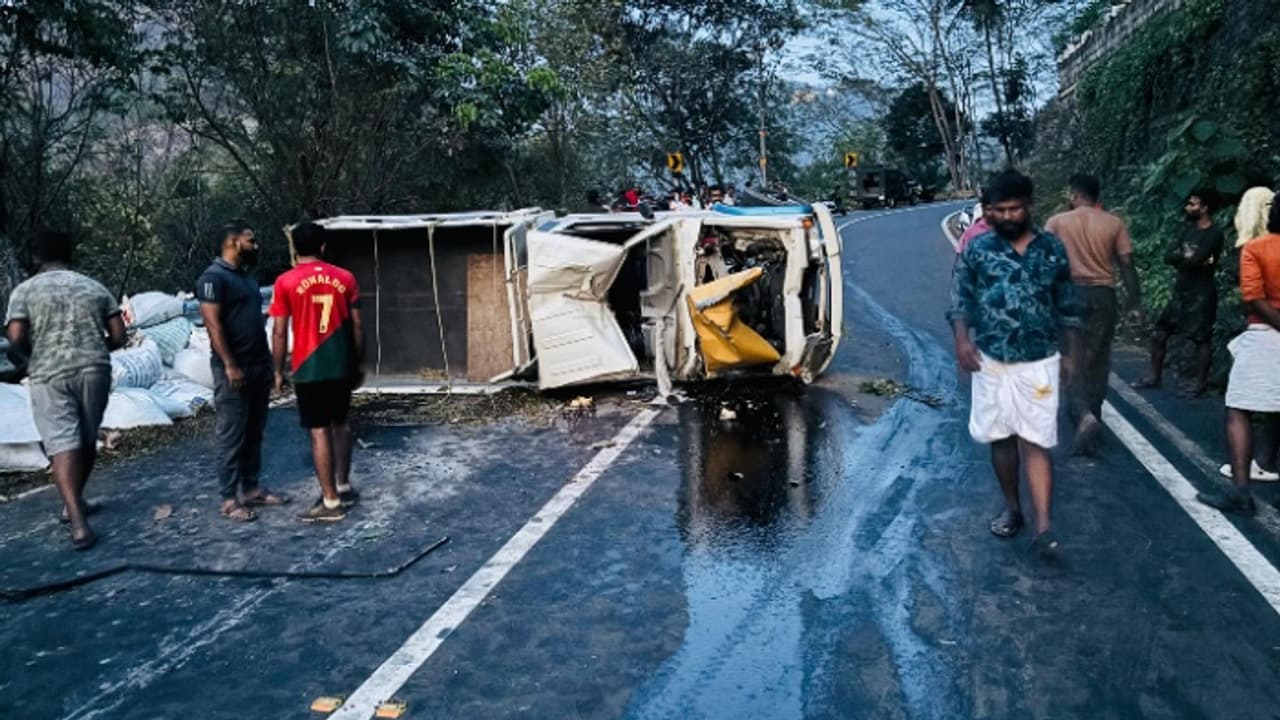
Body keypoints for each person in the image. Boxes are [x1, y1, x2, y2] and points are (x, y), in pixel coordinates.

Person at [948, 170, 1083, 556]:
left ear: (1029, 206)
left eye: (1015, 208)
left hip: (1040, 362)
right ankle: (1012, 508)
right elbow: (960, 300)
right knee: (1001, 439)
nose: (1008, 216)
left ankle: (1044, 526)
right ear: (990, 211)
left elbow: (1068, 305)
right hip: (991, 361)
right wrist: (962, 340)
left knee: (1036, 442)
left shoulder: (1052, 249)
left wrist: (1072, 354)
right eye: (1000, 210)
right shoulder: (977, 250)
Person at [5, 231, 126, 550]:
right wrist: (93, 349)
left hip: (49, 373)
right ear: (69, 254)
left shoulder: (24, 291)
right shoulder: (94, 287)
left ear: (36, 257)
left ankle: (77, 521)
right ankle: (77, 502)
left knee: (61, 444)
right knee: (86, 438)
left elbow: (15, 338)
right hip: (94, 369)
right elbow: (119, 336)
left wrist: (31, 359)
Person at [270, 223, 364, 522]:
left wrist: (278, 371)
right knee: (341, 423)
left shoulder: (285, 282)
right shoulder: (345, 277)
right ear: (323, 246)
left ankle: (330, 501)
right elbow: (357, 324)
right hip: (340, 363)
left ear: (294, 248)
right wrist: (357, 361)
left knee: (318, 430)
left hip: (308, 367)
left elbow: (279, 332)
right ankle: (343, 485)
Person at [1045, 174, 1143, 454]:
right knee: (1098, 360)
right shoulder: (1113, 223)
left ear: (1075, 195)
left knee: (1071, 358)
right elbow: (1126, 263)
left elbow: (1043, 261)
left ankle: (1083, 416)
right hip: (1103, 295)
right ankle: (1094, 415)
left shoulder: (1057, 222)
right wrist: (1134, 303)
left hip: (1069, 294)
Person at [197, 221, 287, 522]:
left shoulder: (246, 278)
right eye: (251, 240)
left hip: (258, 364)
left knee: (254, 431)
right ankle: (228, 499)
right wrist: (230, 364)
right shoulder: (213, 278)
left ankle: (251, 489)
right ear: (234, 242)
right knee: (231, 434)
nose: (255, 246)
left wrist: (271, 365)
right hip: (234, 368)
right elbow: (213, 324)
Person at [1196, 198, 1280, 515]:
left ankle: (1241, 493)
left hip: (1265, 333)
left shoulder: (1257, 248)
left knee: (1239, 409)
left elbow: (1254, 298)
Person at [1133, 190, 1225, 396]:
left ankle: (1199, 385)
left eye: (1193, 204)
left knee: (1201, 338)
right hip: (1182, 290)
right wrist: (1187, 258)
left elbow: (1198, 259)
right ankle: (1154, 377)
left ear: (1204, 208)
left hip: (1202, 291)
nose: (1188, 208)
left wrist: (1185, 257)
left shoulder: (1214, 233)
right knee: (1159, 333)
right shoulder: (1187, 229)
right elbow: (1169, 256)